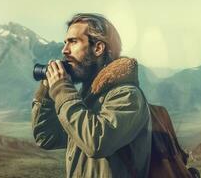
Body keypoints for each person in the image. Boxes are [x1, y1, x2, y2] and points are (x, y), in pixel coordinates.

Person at [31, 13, 152, 178]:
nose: (64, 50)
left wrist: (61, 89)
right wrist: (47, 90)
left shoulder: (127, 95)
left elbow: (96, 142)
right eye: (65, 43)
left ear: (98, 48)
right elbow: (46, 137)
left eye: (73, 42)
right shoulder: (87, 99)